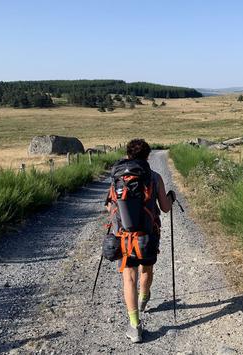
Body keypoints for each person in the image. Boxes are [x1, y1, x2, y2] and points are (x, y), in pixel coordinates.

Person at [105, 139, 175, 343]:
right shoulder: (154, 177)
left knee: (128, 277)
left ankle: (135, 326)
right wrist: (171, 196)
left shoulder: (117, 177)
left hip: (123, 237)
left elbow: (110, 207)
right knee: (146, 270)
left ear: (127, 155)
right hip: (147, 235)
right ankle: (144, 298)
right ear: (147, 156)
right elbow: (165, 207)